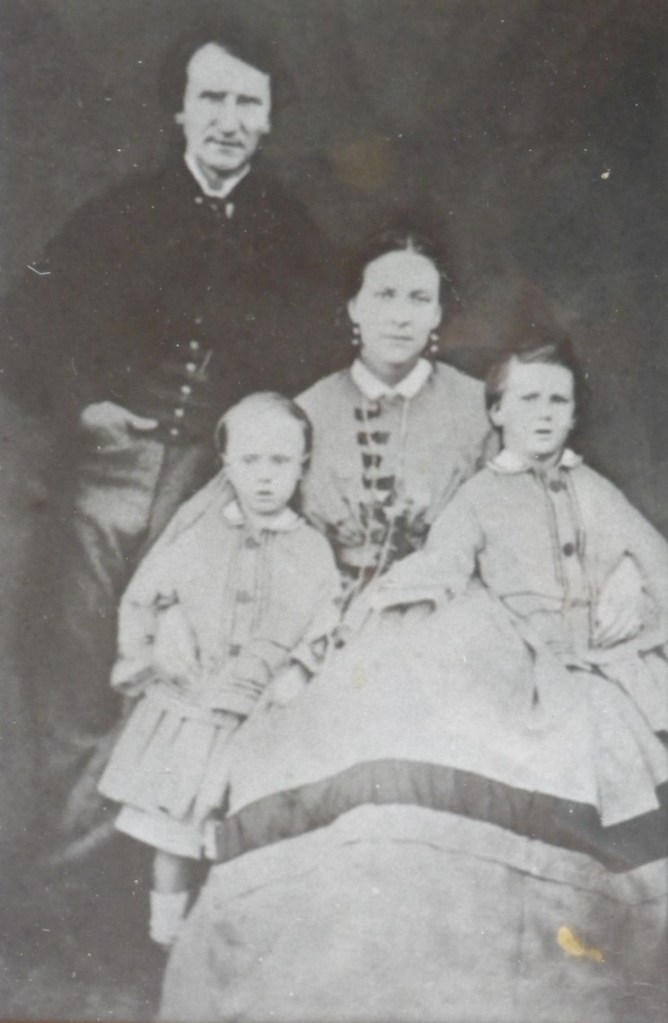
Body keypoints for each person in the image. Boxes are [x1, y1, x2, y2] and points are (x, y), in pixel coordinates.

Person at [160, 340, 668, 1023]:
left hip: (596, 656)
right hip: (519, 641)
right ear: (497, 412)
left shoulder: (592, 489)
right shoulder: (483, 493)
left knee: (612, 739)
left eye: (557, 400)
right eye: (526, 400)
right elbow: (444, 560)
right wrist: (387, 601)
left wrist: (636, 579)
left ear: (575, 413)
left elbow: (651, 552)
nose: (542, 414)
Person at [1, 18, 338, 850]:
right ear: (180, 113)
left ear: (269, 119)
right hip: (106, 478)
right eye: (210, 97)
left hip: (212, 490)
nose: (228, 118)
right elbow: (23, 326)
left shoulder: (292, 232)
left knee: (185, 671)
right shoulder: (117, 213)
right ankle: (56, 867)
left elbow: (320, 362)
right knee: (78, 664)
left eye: (246, 102)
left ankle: (136, 873)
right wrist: (86, 407)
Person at [98, 392, 340, 947]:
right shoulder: (199, 535)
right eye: (250, 461)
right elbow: (146, 596)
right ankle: (165, 936)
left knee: (236, 829)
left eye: (280, 462)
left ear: (303, 464)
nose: (264, 477)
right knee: (173, 833)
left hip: (258, 717)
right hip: (192, 710)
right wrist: (158, 643)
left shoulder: (311, 550)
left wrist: (298, 671)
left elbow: (325, 623)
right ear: (226, 464)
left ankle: (227, 935)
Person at [296, 228, 492, 599]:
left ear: (436, 314)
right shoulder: (308, 411)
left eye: (419, 299)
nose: (401, 317)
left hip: (446, 612)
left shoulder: (479, 408)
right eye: (385, 296)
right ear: (354, 307)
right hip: (329, 607)